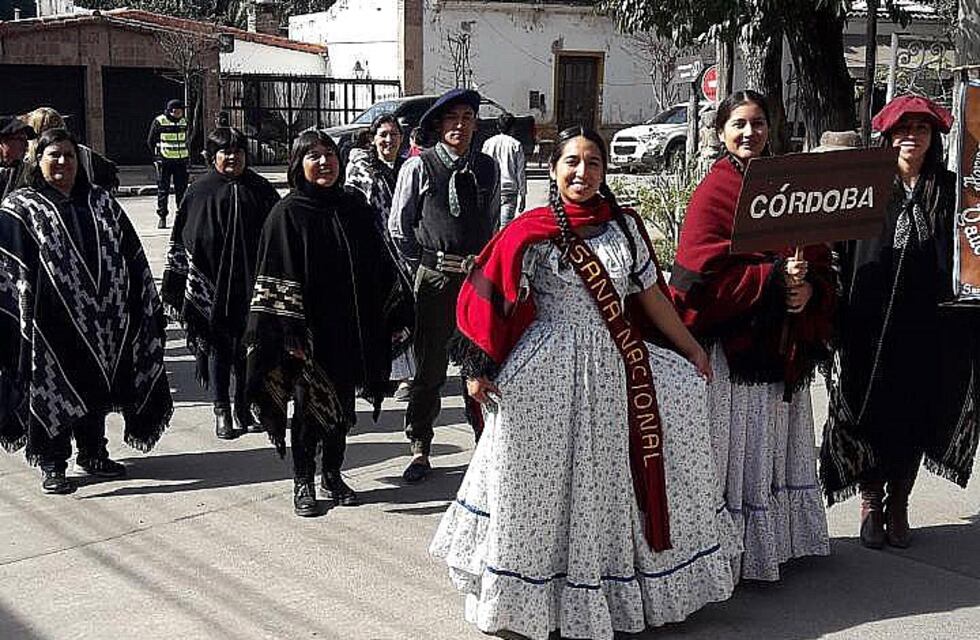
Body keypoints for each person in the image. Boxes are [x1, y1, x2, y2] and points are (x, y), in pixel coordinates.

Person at [431, 126, 738, 640]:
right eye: (572, 161)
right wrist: (477, 368)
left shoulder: (625, 228)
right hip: (547, 369)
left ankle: (608, 593)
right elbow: (488, 292)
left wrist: (689, 347)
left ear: (604, 171)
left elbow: (651, 296)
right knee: (538, 483)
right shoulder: (531, 230)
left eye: (593, 162)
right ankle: (527, 596)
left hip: (616, 368)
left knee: (606, 482)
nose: (582, 172)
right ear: (554, 169)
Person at [669, 90, 835, 581]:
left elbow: (816, 256)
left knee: (771, 449)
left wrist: (808, 289)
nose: (749, 132)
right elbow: (696, 278)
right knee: (732, 454)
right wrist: (772, 277)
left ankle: (772, 547)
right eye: (739, 123)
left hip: (780, 344)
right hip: (735, 349)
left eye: (758, 123)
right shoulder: (715, 190)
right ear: (721, 132)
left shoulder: (788, 184)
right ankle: (723, 558)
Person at [820, 95, 980, 549]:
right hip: (867, 327)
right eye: (902, 129)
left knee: (915, 415)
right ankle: (871, 502)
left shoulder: (953, 193)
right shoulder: (862, 189)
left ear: (934, 138)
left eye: (921, 129)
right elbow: (836, 253)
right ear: (887, 137)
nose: (911, 137)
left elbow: (971, 252)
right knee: (867, 412)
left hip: (929, 329)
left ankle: (900, 503)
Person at [0, 128, 172, 494]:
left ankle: (93, 453)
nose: (63, 162)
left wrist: (142, 302)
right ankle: (53, 462)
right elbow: (9, 267)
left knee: (95, 387)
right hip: (48, 324)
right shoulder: (20, 208)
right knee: (53, 390)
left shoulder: (100, 201)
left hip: (102, 322)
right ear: (37, 161)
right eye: (54, 155)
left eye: (69, 155)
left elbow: (131, 252)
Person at [245, 130, 408, 517]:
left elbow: (378, 261)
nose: (324, 162)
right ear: (298, 165)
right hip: (307, 334)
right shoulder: (287, 214)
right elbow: (273, 274)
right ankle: (303, 480)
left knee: (341, 409)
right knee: (308, 408)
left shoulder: (353, 206)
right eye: (313, 156)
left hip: (351, 331)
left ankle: (332, 475)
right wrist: (289, 333)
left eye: (330, 155)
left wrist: (394, 310)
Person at [388, 88, 500, 483]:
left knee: (480, 365)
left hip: (476, 281)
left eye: (467, 117)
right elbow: (399, 228)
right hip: (434, 281)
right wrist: (426, 265)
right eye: (452, 118)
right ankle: (420, 446)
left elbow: (493, 221)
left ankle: (485, 444)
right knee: (430, 369)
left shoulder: (487, 167)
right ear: (438, 125)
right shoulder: (419, 168)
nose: (460, 125)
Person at [162, 127, 280, 440]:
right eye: (225, 152)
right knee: (218, 348)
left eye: (238, 151)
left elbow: (277, 234)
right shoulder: (199, 191)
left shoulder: (261, 189)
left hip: (252, 285)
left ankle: (244, 405)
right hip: (211, 286)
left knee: (247, 348)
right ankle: (221, 409)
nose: (232, 157)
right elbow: (186, 237)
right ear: (212, 156)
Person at [345, 114, 415, 401]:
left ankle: (404, 376)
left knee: (403, 313)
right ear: (372, 139)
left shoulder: (409, 167)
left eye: (394, 134)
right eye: (383, 135)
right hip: (372, 252)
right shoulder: (361, 169)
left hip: (404, 253)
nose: (389, 140)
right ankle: (370, 374)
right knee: (373, 314)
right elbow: (352, 209)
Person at [22, 107, 119, 192]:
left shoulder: (83, 153)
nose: (62, 161)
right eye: (47, 128)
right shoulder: (23, 160)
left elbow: (110, 175)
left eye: (58, 127)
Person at [147, 99, 190, 229]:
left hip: (181, 161)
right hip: (165, 161)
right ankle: (162, 216)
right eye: (179, 110)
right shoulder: (160, 121)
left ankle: (181, 216)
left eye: (182, 111)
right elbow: (151, 141)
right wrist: (157, 157)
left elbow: (188, 139)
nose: (181, 113)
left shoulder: (184, 122)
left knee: (182, 190)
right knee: (163, 190)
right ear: (172, 111)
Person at [482, 112, 527, 226]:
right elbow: (520, 172)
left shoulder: (488, 143)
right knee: (505, 228)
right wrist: (523, 194)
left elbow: (482, 167)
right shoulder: (516, 145)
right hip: (509, 191)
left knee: (491, 227)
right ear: (513, 128)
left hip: (491, 190)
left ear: (498, 127)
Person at [0, 115, 34, 199]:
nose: (26, 145)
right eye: (20, 139)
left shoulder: (26, 171)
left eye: (26, 140)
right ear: (2, 141)